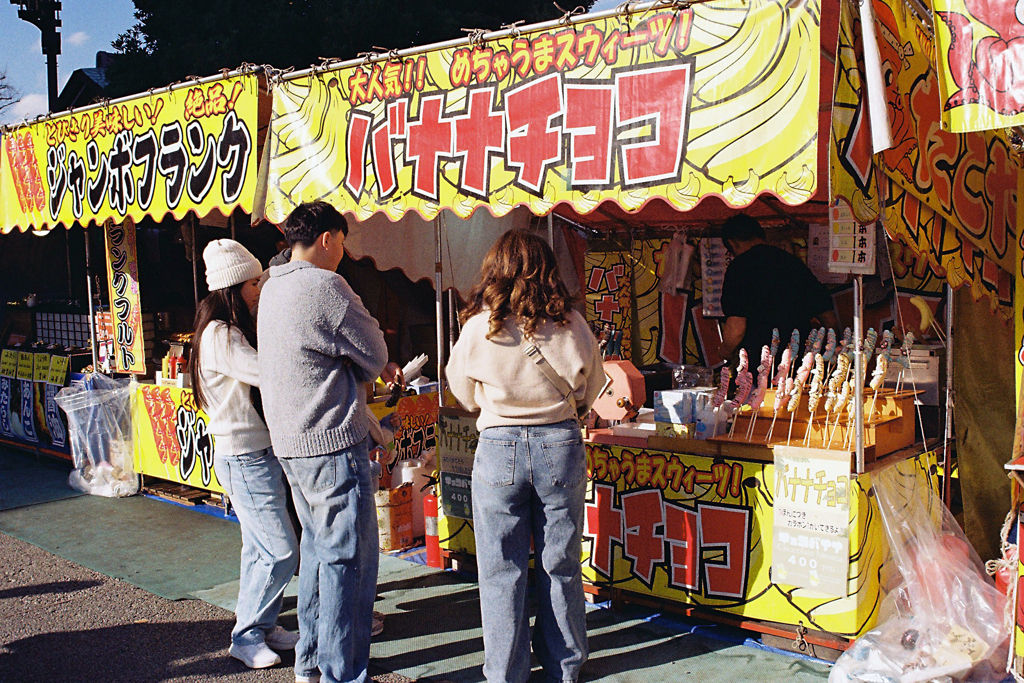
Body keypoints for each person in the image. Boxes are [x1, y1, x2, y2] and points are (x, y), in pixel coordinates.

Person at [447, 229, 605, 683]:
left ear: (495, 270)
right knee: (561, 565)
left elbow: (462, 392)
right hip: (560, 443)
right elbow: (591, 388)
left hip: (498, 448)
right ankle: (565, 669)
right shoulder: (572, 323)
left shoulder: (480, 326)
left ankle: (505, 673)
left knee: (501, 570)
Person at [257, 201, 388, 683]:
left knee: (317, 554)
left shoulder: (273, 286)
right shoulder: (326, 286)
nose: (344, 254)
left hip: (291, 442)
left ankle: (310, 663)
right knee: (346, 564)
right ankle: (341, 673)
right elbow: (375, 352)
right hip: (330, 442)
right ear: (329, 238)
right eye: (343, 243)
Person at [190, 239, 300, 670]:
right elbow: (266, 372)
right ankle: (246, 634)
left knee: (259, 548)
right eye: (254, 282)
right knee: (280, 549)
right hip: (245, 455)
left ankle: (262, 624)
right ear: (235, 287)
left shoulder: (224, 330)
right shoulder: (222, 335)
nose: (259, 289)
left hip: (253, 452)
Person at [718, 214, 839, 362]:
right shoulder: (793, 264)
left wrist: (725, 351)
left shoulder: (739, 268)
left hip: (758, 362)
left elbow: (736, 328)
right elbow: (829, 319)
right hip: (800, 361)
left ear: (733, 243)